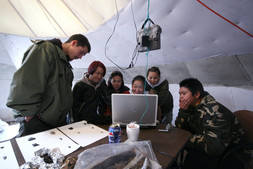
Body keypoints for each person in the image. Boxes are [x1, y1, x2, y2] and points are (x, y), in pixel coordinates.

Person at [6, 34, 91, 137]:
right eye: (81, 52)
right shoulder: (45, 49)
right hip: (37, 121)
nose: (80, 57)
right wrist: (28, 112)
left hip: (54, 123)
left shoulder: (65, 64)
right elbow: (28, 81)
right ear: (74, 43)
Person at [175, 78, 248, 169]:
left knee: (193, 157)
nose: (181, 97)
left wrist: (185, 138)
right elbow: (180, 128)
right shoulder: (192, 107)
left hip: (233, 154)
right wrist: (183, 112)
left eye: (184, 93)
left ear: (197, 94)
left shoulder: (215, 112)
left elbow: (213, 147)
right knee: (182, 149)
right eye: (180, 94)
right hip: (216, 146)